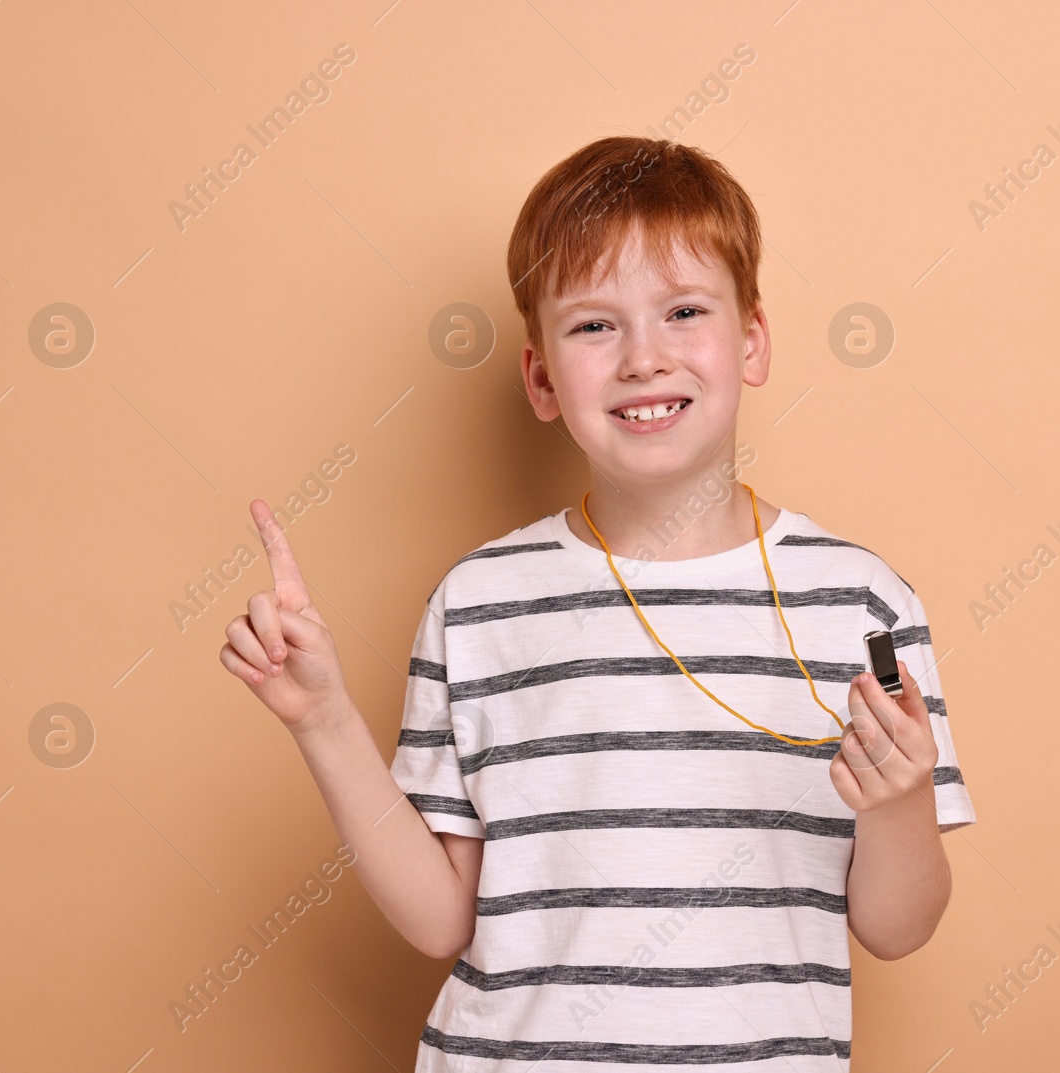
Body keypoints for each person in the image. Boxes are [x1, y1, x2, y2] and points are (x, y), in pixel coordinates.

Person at [219, 135, 976, 1071]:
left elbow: (897, 929)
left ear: (752, 342)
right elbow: (437, 917)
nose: (642, 358)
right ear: (541, 378)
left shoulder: (860, 603)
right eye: (593, 326)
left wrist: (900, 802)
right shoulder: (479, 602)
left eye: (684, 310)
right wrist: (325, 719)